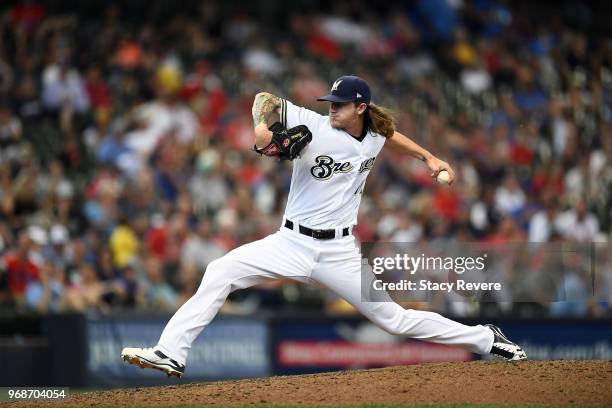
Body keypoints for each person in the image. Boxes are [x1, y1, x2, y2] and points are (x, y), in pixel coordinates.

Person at [121, 75, 526, 377]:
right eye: (330, 102)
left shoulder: (373, 136)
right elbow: (264, 100)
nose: (331, 108)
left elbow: (390, 134)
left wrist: (429, 158)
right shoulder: (313, 123)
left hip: (339, 254)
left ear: (361, 108)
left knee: (395, 320)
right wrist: (264, 131)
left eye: (340, 104)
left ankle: (487, 338)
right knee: (220, 271)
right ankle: (172, 352)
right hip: (290, 242)